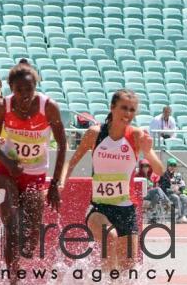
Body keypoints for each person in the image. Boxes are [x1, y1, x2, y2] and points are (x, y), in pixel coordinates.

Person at [0, 60, 67, 285]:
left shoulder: (49, 107)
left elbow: (63, 144)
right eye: (19, 90)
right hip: (7, 170)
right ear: (11, 88)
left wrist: (54, 184)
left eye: (29, 90)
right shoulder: (3, 106)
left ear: (36, 88)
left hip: (36, 173)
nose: (24, 95)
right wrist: (8, 163)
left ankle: (26, 250)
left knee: (30, 243)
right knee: (11, 223)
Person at [63, 89, 164, 275]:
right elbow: (71, 161)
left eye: (132, 110)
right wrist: (59, 184)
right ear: (112, 108)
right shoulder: (95, 133)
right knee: (109, 238)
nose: (128, 114)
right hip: (99, 207)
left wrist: (149, 152)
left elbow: (159, 170)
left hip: (126, 209)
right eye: (124, 108)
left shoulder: (137, 135)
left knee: (128, 268)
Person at [136, 159, 170, 224]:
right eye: (143, 166)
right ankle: (166, 203)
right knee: (158, 189)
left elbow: (155, 186)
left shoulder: (152, 176)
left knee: (157, 195)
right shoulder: (138, 176)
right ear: (141, 167)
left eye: (147, 166)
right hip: (142, 194)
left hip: (150, 194)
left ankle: (151, 212)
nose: (145, 167)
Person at [159, 158, 187, 223]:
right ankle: (179, 216)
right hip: (167, 195)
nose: (173, 167)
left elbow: (184, 188)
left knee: (185, 196)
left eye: (174, 165)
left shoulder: (178, 175)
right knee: (176, 197)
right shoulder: (164, 175)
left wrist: (180, 191)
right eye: (171, 165)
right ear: (168, 166)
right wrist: (173, 191)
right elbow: (163, 189)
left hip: (177, 193)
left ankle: (184, 216)